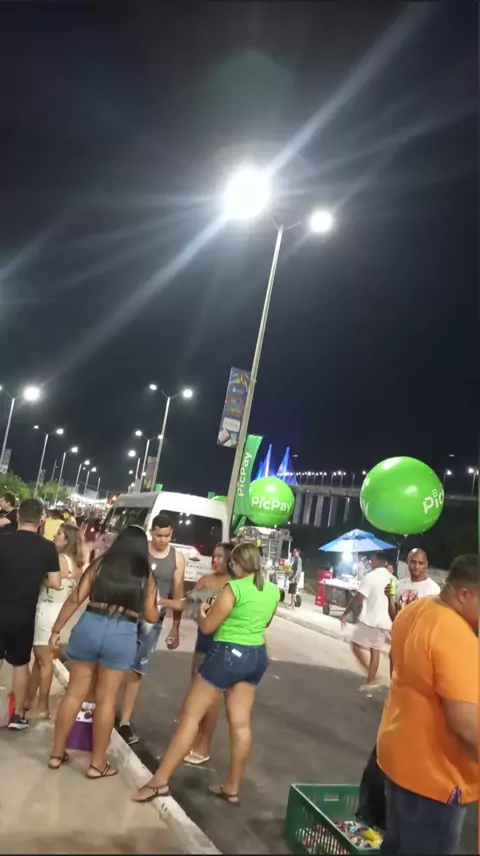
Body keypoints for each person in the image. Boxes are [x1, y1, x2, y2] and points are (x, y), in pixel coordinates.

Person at [132, 542, 280, 805]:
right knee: (241, 724)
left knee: (190, 717)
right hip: (256, 656)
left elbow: (209, 627)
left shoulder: (233, 588)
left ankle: (159, 781)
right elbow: (265, 621)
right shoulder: (272, 591)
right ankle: (232, 787)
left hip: (227, 655)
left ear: (237, 564)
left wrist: (202, 614)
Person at [377, 555, 479, 855]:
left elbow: (396, 667)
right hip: (436, 780)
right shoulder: (456, 635)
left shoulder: (415, 610)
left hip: (399, 760)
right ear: (464, 594)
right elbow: (466, 724)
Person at [48, 525, 159, 777]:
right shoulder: (145, 575)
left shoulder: (101, 564)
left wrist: (56, 630)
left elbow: (76, 598)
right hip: (122, 632)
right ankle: (97, 764)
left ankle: (56, 753)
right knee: (106, 700)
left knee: (74, 694)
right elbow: (152, 615)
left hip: (90, 625)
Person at [160, 541, 234, 765]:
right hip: (203, 642)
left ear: (231, 560)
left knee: (211, 699)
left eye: (221, 557)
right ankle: (190, 741)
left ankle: (204, 745)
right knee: (195, 693)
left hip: (222, 643)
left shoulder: (235, 584)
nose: (215, 560)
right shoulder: (206, 580)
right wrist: (164, 602)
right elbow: (189, 605)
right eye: (214, 555)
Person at [118, 513, 185, 746]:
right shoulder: (140, 550)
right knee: (115, 664)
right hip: (128, 614)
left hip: (153, 621)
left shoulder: (177, 559)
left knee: (136, 670)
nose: (163, 540)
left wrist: (175, 628)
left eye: (167, 536)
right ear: (151, 532)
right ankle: (100, 708)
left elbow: (179, 598)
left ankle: (125, 721)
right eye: (159, 535)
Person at [0, 498, 61, 729]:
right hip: (24, 613)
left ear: (18, 516)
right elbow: (55, 582)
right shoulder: (47, 547)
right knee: (20, 663)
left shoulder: (3, 540)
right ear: (40, 520)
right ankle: (17, 716)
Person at [28, 523, 83, 718]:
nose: (54, 536)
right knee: (42, 660)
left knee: (43, 660)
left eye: (58, 534)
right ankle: (28, 700)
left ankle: (42, 706)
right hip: (60, 614)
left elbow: (46, 580)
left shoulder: (59, 560)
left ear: (66, 540)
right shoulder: (76, 564)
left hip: (47, 611)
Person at [341, 551, 393, 693]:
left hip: (371, 620)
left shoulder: (370, 577)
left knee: (356, 646)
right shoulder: (393, 579)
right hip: (386, 621)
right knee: (375, 650)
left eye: (372, 560)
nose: (370, 562)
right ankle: (371, 680)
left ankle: (372, 677)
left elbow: (358, 597)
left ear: (377, 561)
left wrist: (346, 613)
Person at [385, 547, 440, 623]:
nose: (416, 566)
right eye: (413, 562)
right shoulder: (399, 584)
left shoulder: (433, 589)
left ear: (426, 564)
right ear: (407, 562)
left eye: (420, 563)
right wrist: (390, 598)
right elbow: (394, 619)